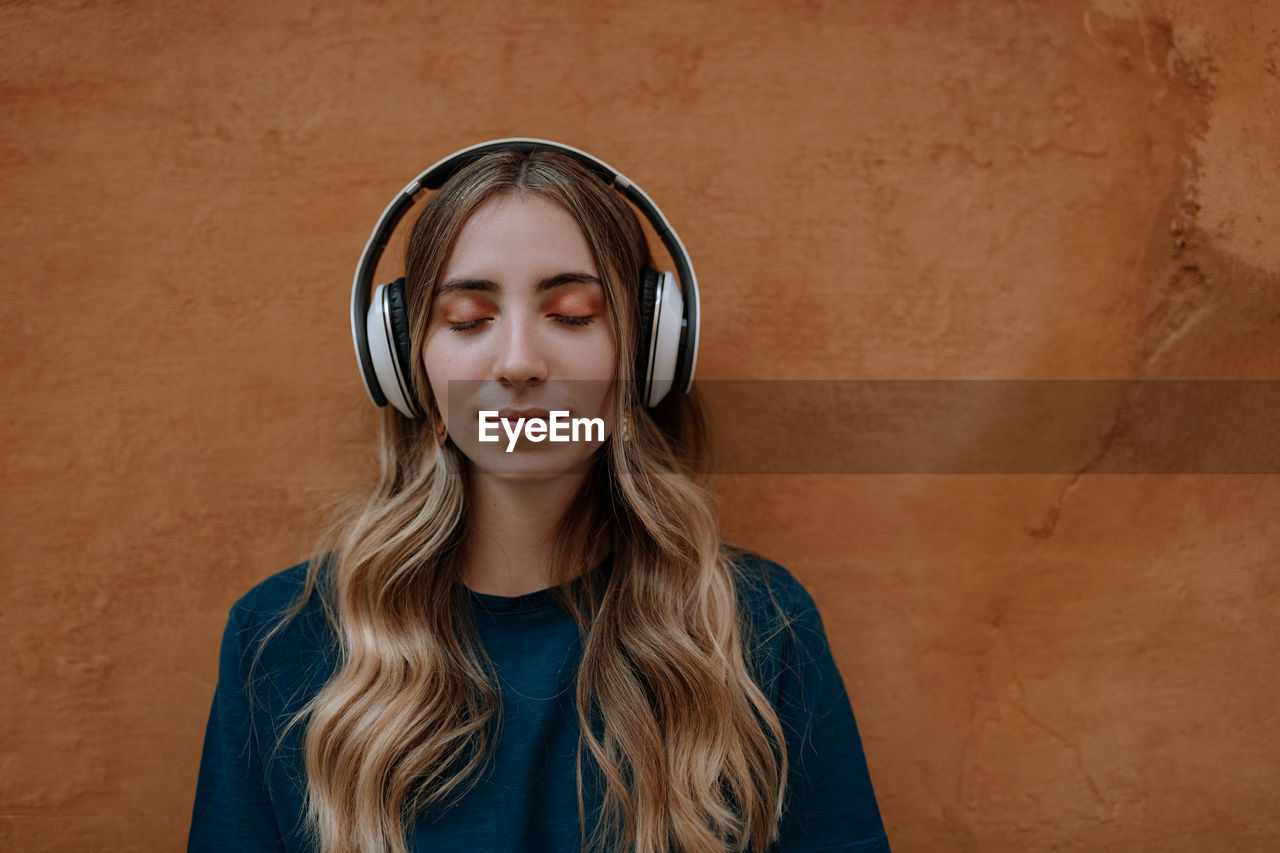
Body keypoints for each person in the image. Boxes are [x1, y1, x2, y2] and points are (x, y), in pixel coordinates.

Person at [188, 141, 891, 852]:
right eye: (466, 319)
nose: (520, 361)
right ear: (409, 368)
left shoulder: (762, 627)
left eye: (574, 313)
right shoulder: (277, 640)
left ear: (643, 358)